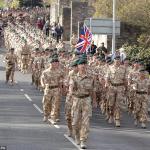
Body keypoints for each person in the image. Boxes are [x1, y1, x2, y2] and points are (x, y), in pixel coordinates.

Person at [69, 58, 97, 149]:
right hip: (76, 100)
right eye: (81, 64)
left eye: (85, 64)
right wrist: (71, 90)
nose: (83, 66)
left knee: (85, 121)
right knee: (75, 122)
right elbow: (71, 87)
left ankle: (82, 140)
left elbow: (93, 90)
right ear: (78, 66)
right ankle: (76, 135)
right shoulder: (74, 77)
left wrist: (94, 101)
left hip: (86, 100)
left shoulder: (90, 77)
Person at [41, 56, 64, 124]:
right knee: (46, 103)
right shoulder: (45, 72)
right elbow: (42, 79)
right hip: (48, 89)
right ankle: (46, 115)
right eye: (55, 63)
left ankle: (53, 117)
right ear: (51, 63)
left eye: (57, 63)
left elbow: (61, 80)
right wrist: (42, 84)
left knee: (55, 104)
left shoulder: (59, 71)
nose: (56, 64)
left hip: (56, 89)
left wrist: (61, 89)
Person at [106, 56, 127, 127]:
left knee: (118, 104)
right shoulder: (110, 68)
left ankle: (117, 119)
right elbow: (107, 78)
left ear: (120, 61)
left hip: (120, 87)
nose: (117, 61)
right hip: (112, 87)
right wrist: (107, 85)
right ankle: (111, 115)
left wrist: (126, 88)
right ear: (114, 60)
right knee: (111, 104)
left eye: (118, 60)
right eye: (116, 60)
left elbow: (125, 79)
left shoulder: (123, 68)